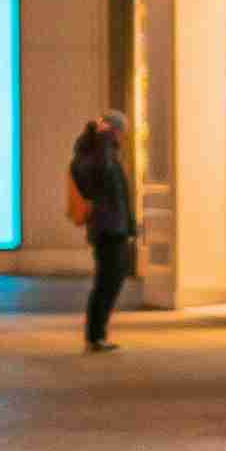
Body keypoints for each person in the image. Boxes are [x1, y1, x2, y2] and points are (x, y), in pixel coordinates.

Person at [68, 112, 137, 350]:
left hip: (112, 225)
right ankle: (95, 335)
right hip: (107, 227)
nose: (121, 138)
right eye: (119, 132)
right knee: (108, 281)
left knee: (111, 280)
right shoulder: (96, 155)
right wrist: (104, 140)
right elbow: (102, 175)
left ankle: (97, 334)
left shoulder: (97, 154)